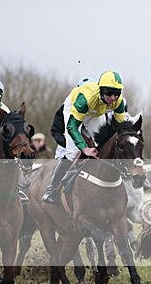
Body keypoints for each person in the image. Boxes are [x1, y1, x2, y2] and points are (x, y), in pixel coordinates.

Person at [42, 71, 127, 204]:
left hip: (94, 113)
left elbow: (122, 127)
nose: (112, 98)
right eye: (109, 93)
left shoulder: (118, 102)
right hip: (74, 109)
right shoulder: (85, 99)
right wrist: (84, 148)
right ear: (101, 90)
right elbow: (72, 127)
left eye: (116, 93)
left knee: (102, 142)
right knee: (72, 151)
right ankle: (51, 189)